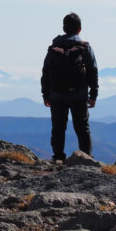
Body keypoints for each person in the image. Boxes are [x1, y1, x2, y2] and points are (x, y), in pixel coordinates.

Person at [41, 12, 99, 162]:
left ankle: (58, 157)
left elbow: (46, 71)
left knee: (58, 128)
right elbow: (92, 70)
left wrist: (46, 94)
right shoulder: (85, 47)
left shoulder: (54, 47)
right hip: (79, 94)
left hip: (57, 94)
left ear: (64, 27)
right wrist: (93, 95)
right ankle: (86, 158)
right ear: (79, 29)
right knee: (82, 128)